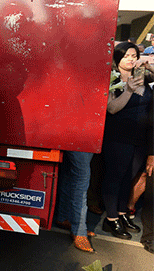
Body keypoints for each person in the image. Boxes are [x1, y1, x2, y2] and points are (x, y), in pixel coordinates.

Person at [101, 42, 153, 239]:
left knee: (128, 178)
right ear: (117, 59)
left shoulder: (140, 76)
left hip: (140, 138)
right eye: (126, 56)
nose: (131, 59)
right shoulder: (113, 79)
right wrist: (129, 90)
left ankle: (122, 214)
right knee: (115, 177)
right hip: (118, 137)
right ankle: (111, 220)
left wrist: (148, 67)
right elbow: (112, 108)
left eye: (134, 55)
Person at [55, 151, 96, 252]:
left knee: (69, 173)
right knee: (81, 177)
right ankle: (79, 230)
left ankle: (64, 217)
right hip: (83, 137)